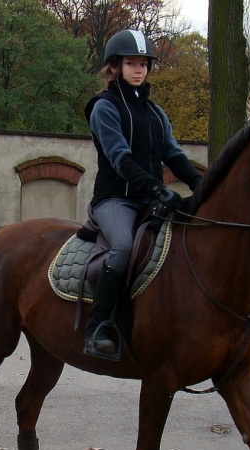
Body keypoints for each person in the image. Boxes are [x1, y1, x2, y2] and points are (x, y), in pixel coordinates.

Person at [83, 29, 203, 361]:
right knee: (123, 247)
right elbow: (120, 158)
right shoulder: (104, 108)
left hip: (149, 200)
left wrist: (200, 184)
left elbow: (174, 155)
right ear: (115, 66)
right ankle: (97, 327)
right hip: (115, 199)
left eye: (143, 64)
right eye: (131, 63)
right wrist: (157, 188)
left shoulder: (155, 114)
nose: (138, 70)